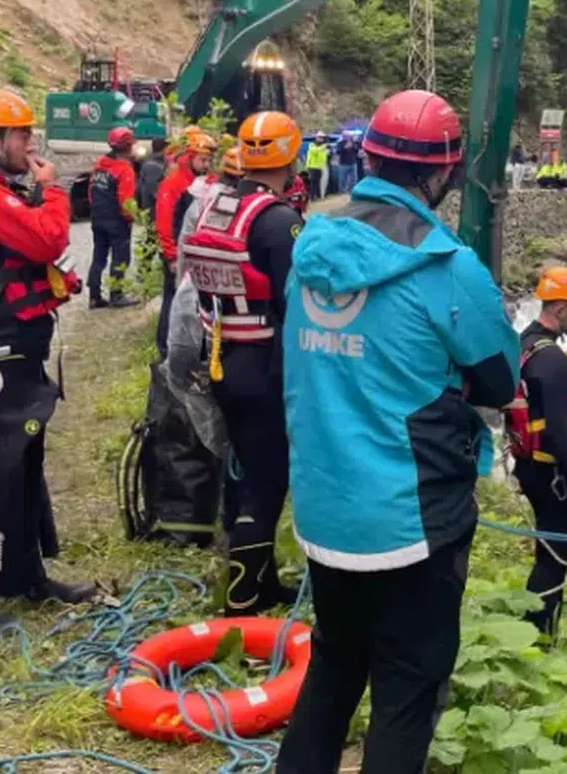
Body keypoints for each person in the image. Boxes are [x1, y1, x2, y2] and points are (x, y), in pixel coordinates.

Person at [276, 89, 520, 774]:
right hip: (412, 524)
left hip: (325, 511)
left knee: (333, 672)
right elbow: (501, 378)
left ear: (370, 157)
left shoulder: (311, 248)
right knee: (406, 697)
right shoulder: (444, 265)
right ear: (442, 174)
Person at [178, 111, 304, 616]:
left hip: (221, 355)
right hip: (262, 362)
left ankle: (262, 579)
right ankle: (243, 599)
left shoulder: (215, 205)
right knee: (267, 480)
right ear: (290, 159)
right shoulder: (278, 222)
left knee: (242, 468)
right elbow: (295, 302)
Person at [0, 88, 95, 638]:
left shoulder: (6, 191)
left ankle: (27, 576)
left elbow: (42, 255)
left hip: (16, 353)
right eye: (22, 135)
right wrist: (52, 189)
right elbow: (47, 235)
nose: (30, 143)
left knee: (23, 464)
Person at [504, 265, 567, 636]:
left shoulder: (524, 343)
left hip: (530, 467)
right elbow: (561, 434)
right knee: (553, 562)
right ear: (558, 308)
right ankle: (537, 637)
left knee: (547, 554)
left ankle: (534, 635)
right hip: (554, 476)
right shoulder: (553, 361)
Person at [154, 129, 215, 356]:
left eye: (209, 160)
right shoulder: (173, 184)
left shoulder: (200, 182)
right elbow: (164, 221)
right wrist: (171, 254)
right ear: (189, 157)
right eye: (202, 159)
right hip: (175, 252)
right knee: (172, 300)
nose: (206, 164)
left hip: (191, 251)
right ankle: (165, 347)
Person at [87, 126, 139, 309]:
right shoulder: (125, 171)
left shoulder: (99, 164)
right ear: (128, 146)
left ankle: (94, 296)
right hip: (117, 221)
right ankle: (116, 295)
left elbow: (91, 191)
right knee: (120, 257)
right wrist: (132, 218)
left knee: (98, 257)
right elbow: (126, 202)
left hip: (97, 217)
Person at [135, 137, 169, 225]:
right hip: (153, 211)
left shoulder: (149, 162)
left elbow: (139, 187)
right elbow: (154, 192)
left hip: (148, 208)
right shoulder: (155, 166)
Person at [304, 132, 329, 200]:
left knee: (316, 182)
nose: (321, 139)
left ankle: (314, 196)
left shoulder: (323, 147)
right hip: (312, 166)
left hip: (319, 167)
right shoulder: (312, 144)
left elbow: (324, 156)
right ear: (316, 137)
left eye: (322, 138)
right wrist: (324, 147)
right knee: (312, 182)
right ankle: (310, 197)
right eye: (320, 137)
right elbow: (314, 151)